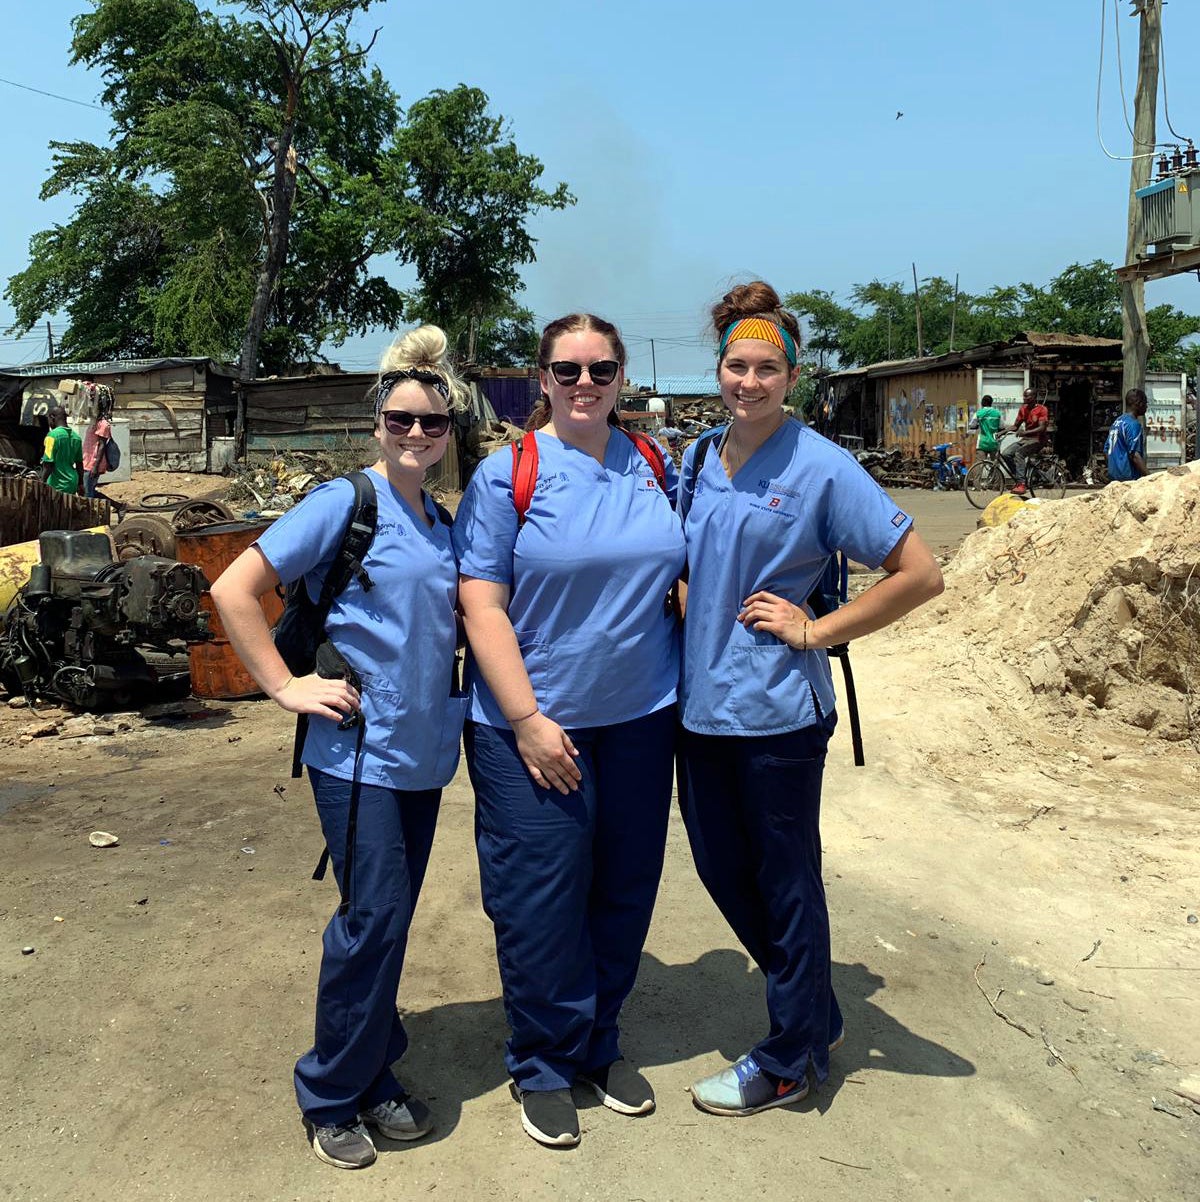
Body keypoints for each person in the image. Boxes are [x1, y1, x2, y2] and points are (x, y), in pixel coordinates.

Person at [677, 281, 944, 1118]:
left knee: (787, 882)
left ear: (792, 376)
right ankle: (816, 1008)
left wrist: (816, 628)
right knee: (723, 871)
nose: (748, 382)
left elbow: (921, 574)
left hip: (778, 717)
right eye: (735, 365)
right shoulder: (696, 456)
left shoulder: (824, 466)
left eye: (766, 368)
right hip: (699, 710)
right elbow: (693, 560)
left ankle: (790, 1058)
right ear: (718, 368)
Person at [211, 326, 467, 1171]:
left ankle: (375, 1069)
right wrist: (286, 687)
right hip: (357, 756)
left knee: (385, 923)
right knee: (372, 920)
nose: (417, 435)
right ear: (378, 423)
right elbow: (234, 588)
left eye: (433, 424)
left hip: (426, 755)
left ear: (451, 430)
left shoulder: (442, 521)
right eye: (402, 420)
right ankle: (330, 1089)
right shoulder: (344, 503)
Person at [453, 313, 686, 1148]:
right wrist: (525, 720)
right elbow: (481, 602)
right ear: (541, 378)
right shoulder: (508, 473)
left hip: (642, 720)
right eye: (567, 370)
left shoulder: (654, 464)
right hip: (534, 728)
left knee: (624, 891)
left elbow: (683, 572)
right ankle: (544, 1063)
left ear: (623, 377)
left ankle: (598, 1044)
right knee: (539, 902)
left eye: (601, 369)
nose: (585, 384)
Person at [1005, 387, 1049, 495]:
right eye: (1024, 395)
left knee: (1019, 454)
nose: (1024, 398)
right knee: (1006, 454)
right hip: (1026, 440)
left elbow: (1042, 428)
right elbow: (1016, 426)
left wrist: (1024, 432)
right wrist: (1002, 432)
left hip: (1038, 440)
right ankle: (1019, 477)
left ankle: (1021, 484)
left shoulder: (1042, 409)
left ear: (1034, 397)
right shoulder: (1023, 409)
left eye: (1027, 396)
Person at [1105, 388, 1148, 482]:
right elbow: (1135, 455)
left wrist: (1114, 469)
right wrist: (1149, 477)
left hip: (1113, 478)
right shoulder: (1133, 424)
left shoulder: (1117, 422)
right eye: (1145, 403)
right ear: (1138, 403)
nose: (1146, 406)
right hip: (1128, 479)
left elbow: (1106, 451)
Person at [40, 406, 83, 495]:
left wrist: (41, 484)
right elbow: (79, 464)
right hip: (72, 483)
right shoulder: (76, 438)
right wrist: (81, 484)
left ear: (52, 418)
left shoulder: (52, 436)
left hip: (57, 483)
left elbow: (48, 464)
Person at [81, 393, 114, 498]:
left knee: (88, 493)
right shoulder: (94, 421)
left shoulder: (103, 424)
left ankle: (90, 513)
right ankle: (118, 506)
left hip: (93, 464)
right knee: (89, 491)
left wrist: (95, 467)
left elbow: (102, 445)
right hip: (87, 462)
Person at [969, 394, 1002, 460]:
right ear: (991, 403)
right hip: (994, 443)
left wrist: (978, 425)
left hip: (982, 443)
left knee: (980, 464)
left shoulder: (979, 413)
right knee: (995, 466)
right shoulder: (998, 413)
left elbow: (972, 425)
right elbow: (1002, 427)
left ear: (982, 403)